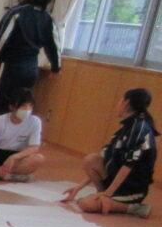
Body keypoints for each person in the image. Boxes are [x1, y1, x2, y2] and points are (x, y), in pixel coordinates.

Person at [63, 88, 157, 219]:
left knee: (86, 204)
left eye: (120, 100)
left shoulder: (139, 128)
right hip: (116, 179)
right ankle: (103, 197)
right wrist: (78, 187)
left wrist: (108, 194)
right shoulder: (127, 127)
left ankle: (132, 207)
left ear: (126, 103)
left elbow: (128, 166)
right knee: (91, 159)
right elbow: (104, 158)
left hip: (131, 188)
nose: (118, 104)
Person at [0, 0, 60, 115]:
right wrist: (55, 67)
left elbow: (3, 37)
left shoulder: (17, 12)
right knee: (21, 107)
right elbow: (54, 44)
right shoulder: (47, 17)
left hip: (12, 65)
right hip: (31, 68)